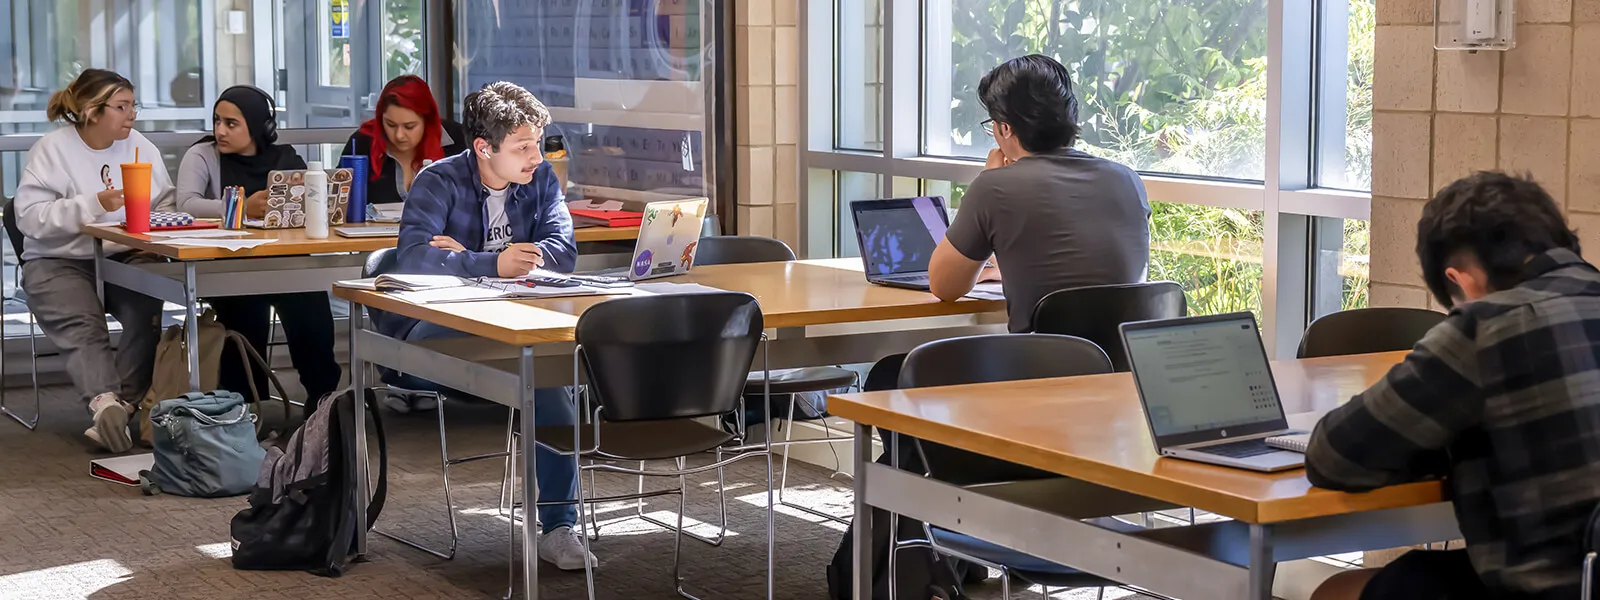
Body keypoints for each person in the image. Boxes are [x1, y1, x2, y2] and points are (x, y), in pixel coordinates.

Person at [1306, 172, 1600, 600]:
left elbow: (1332, 457)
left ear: (1461, 280)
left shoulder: (1484, 327)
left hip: (1550, 586)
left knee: (1337, 591)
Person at [389, 81, 589, 570]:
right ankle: (559, 522)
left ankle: (558, 527)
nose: (536, 156)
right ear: (484, 148)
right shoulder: (437, 181)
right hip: (433, 330)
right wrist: (491, 263)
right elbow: (413, 259)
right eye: (523, 146)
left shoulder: (539, 180)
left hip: (512, 321)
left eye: (537, 143)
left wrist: (470, 259)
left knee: (551, 377)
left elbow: (563, 249)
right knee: (544, 375)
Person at [927, 54, 1151, 333]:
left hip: (1041, 368)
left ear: (1004, 128)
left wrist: (989, 178)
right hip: (1126, 367)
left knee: (889, 370)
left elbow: (944, 286)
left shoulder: (994, 188)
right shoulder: (1127, 180)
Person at [13, 69, 173, 452]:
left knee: (144, 309)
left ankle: (124, 406)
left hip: (123, 254)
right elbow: (28, 216)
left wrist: (155, 231)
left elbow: (164, 201)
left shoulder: (140, 147)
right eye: (122, 106)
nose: (132, 115)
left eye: (134, 105)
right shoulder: (53, 149)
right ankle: (104, 403)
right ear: (91, 111)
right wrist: (94, 204)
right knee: (84, 323)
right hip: (57, 259)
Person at [175, 85, 342, 409]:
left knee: (310, 304)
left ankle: (322, 401)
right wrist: (239, 208)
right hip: (228, 264)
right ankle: (248, 405)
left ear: (258, 125)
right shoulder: (203, 155)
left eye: (231, 123)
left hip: (284, 260)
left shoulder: (286, 158)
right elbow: (187, 205)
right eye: (216, 121)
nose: (220, 130)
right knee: (245, 308)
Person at [340, 75, 468, 207]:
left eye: (409, 126)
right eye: (390, 124)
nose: (399, 135)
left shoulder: (458, 141)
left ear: (427, 121)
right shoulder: (362, 143)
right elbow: (340, 200)